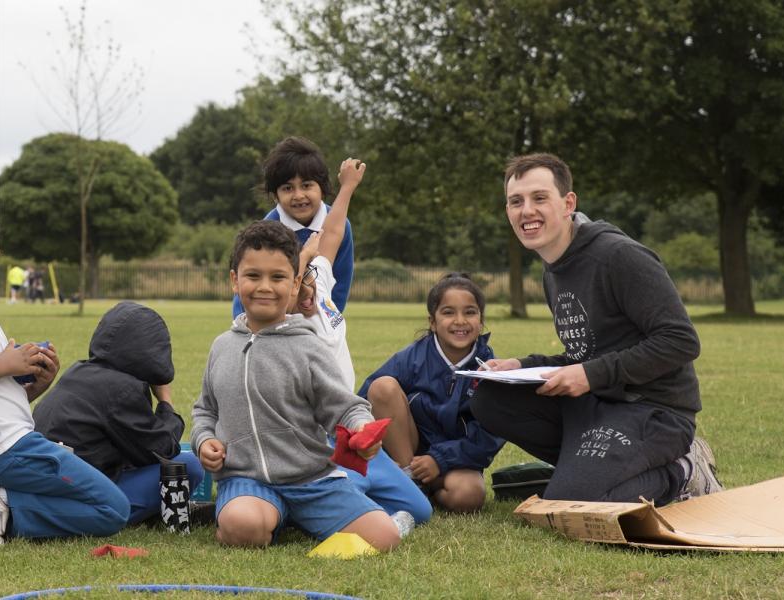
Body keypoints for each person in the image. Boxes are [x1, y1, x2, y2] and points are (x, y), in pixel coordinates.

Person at [471, 153, 721, 506]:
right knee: (490, 400)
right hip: (598, 401)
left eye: (539, 198)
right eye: (516, 201)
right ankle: (588, 469)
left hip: (653, 411)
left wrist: (589, 374)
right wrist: (522, 365)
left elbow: (680, 341)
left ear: (568, 203)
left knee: (573, 501)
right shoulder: (553, 268)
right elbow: (588, 352)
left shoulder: (618, 256)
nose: (526, 211)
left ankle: (683, 469)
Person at [0, 192, 129, 544]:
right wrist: (3, 363)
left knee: (83, 494)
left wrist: (33, 386)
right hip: (3, 451)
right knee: (112, 509)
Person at [192, 221, 401, 551]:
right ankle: (267, 515)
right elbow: (205, 410)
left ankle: (309, 512)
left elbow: (344, 406)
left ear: (293, 286)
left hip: (312, 480)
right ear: (235, 280)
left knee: (385, 538)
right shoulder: (222, 346)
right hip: (246, 480)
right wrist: (204, 441)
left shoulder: (308, 346)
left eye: (277, 277)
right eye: (253, 276)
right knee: (242, 529)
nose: (265, 287)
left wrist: (362, 427)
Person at [290, 158, 431, 526]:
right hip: (314, 442)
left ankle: (341, 500)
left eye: (307, 279)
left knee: (419, 509)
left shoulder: (318, 284)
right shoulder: (280, 322)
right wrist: (302, 257)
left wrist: (348, 186)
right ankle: (321, 501)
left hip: (349, 432)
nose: (305, 290)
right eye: (295, 281)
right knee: (351, 493)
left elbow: (333, 232)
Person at [33, 301, 205, 526]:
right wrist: (165, 400)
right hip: (79, 497)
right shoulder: (122, 390)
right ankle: (136, 514)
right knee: (189, 465)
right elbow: (163, 448)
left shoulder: (80, 370)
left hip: (50, 483)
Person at [360, 273, 504, 513]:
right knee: (383, 386)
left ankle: (414, 489)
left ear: (481, 321)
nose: (460, 321)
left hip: (455, 463)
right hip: (407, 453)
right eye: (448, 312)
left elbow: (491, 435)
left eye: (470, 312)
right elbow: (365, 399)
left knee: (469, 495)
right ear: (433, 321)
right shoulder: (411, 358)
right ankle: (408, 482)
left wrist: (440, 460)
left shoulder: (490, 368)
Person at [232, 136, 356, 318]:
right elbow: (248, 282)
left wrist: (327, 322)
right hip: (273, 323)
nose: (298, 195)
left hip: (319, 323)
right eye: (288, 188)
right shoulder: (266, 231)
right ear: (275, 195)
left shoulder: (339, 225)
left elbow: (340, 283)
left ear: (322, 188)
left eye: (306, 185)